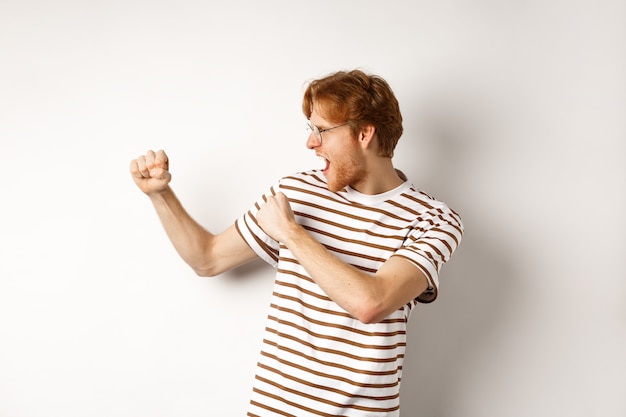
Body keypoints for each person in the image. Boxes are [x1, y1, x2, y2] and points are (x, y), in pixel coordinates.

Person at [130, 69, 463, 416]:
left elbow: (371, 303)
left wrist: (291, 233)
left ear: (364, 134)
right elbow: (207, 259)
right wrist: (161, 195)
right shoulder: (297, 192)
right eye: (311, 130)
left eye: (321, 131)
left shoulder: (433, 219)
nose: (310, 143)